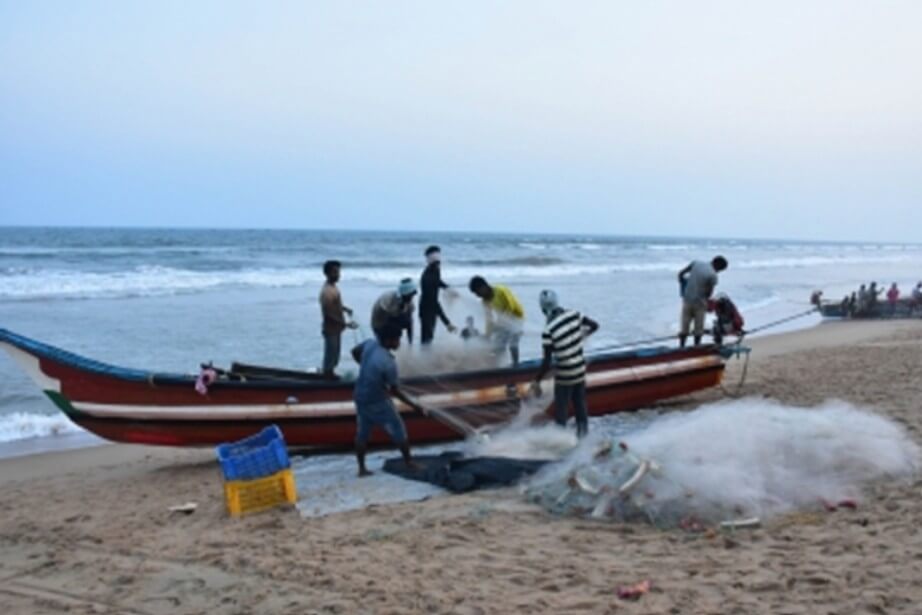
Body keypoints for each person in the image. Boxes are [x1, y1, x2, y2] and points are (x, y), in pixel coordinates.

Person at [351, 325, 425, 477]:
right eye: (398, 340)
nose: (399, 343)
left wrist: (364, 367)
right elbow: (395, 391)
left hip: (360, 396)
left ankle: (361, 469)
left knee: (362, 433)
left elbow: (354, 352)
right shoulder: (388, 362)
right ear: (389, 340)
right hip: (377, 400)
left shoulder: (370, 344)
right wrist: (414, 406)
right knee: (398, 428)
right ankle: (409, 462)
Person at [533, 290, 598, 438]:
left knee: (561, 410)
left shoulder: (548, 330)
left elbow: (547, 362)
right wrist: (581, 337)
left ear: (543, 309)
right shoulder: (574, 314)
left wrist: (537, 380)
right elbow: (595, 325)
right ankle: (583, 437)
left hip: (565, 374)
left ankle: (560, 441)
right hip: (580, 369)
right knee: (580, 404)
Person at [468, 276, 525, 366]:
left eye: (477, 292)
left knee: (513, 345)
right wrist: (487, 335)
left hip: (516, 318)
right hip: (503, 321)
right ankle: (500, 365)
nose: (477, 296)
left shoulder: (501, 290)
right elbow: (489, 319)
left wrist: (502, 322)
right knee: (499, 346)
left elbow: (511, 306)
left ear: (484, 287)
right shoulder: (485, 301)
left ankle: (516, 365)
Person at [677, 256, 728, 347]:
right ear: (718, 266)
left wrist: (683, 285)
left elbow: (680, 274)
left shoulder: (696, 263)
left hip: (687, 300)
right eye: (720, 270)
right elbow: (708, 293)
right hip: (699, 304)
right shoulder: (713, 275)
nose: (718, 272)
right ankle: (696, 347)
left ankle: (681, 347)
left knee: (684, 327)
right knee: (698, 329)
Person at [318, 260, 356, 378]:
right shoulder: (327, 292)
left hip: (337, 328)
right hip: (331, 329)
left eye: (338, 272)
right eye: (335, 272)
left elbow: (335, 304)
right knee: (330, 356)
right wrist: (346, 324)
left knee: (335, 355)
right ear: (327, 274)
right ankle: (327, 377)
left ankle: (330, 374)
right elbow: (328, 314)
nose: (338, 275)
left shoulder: (333, 287)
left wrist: (345, 309)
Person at [419, 245, 457, 344]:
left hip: (432, 305)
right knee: (427, 337)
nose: (439, 264)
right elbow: (434, 303)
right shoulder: (427, 278)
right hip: (426, 308)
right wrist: (447, 323)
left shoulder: (435, 270)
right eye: (437, 262)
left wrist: (448, 288)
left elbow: (438, 282)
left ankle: (426, 356)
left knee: (430, 335)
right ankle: (424, 357)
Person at [371, 278, 417, 344]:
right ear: (406, 295)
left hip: (393, 321)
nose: (412, 298)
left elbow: (410, 322)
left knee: (408, 320)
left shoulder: (408, 303)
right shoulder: (388, 299)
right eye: (411, 295)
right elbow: (384, 317)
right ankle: (386, 341)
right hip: (379, 323)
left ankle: (393, 340)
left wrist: (410, 342)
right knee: (391, 337)